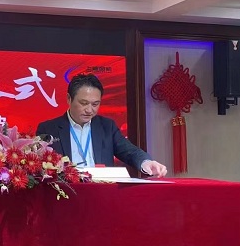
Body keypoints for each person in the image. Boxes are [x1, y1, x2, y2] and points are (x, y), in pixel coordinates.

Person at [36, 73, 168, 177]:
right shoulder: (48, 129)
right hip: (67, 192)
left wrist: (146, 162)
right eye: (83, 103)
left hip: (101, 191)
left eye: (95, 104)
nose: (89, 110)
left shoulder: (107, 126)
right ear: (69, 99)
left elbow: (129, 151)